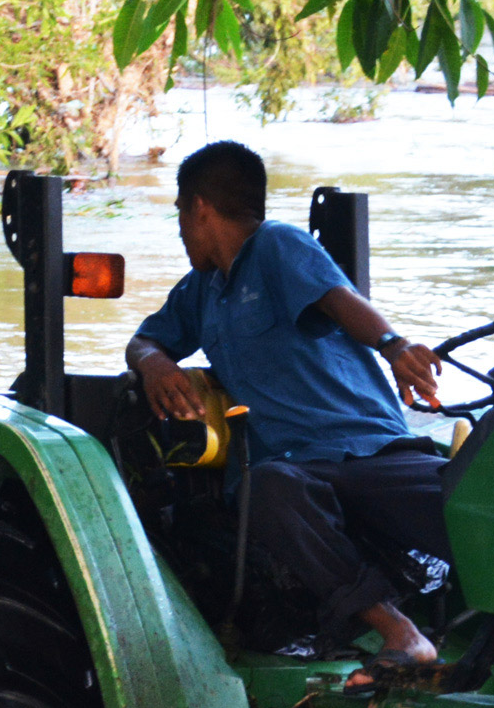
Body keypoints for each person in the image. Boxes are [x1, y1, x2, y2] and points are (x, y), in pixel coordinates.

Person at [125, 140, 451, 678]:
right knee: (266, 488)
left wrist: (394, 345)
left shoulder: (278, 245)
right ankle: (401, 633)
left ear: (198, 208)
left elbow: (341, 300)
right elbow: (144, 340)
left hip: (366, 448)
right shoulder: (201, 289)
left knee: (469, 502)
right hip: (291, 468)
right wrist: (155, 364)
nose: (180, 231)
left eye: (180, 214)